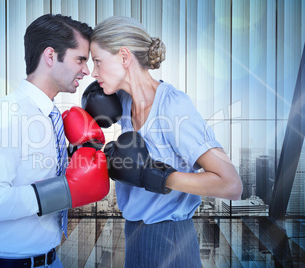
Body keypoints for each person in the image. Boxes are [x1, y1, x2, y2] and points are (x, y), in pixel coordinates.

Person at [87, 16, 243, 267]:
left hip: (170, 239)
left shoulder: (173, 107)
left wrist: (158, 176)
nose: (93, 73)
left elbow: (231, 185)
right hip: (134, 235)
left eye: (97, 61)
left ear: (124, 57)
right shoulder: (124, 104)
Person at [0, 14, 110, 268]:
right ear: (51, 56)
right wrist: (64, 191)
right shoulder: (6, 115)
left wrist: (83, 153)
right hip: (2, 263)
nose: (87, 71)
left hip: (50, 259)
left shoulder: (53, 118)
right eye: (80, 60)